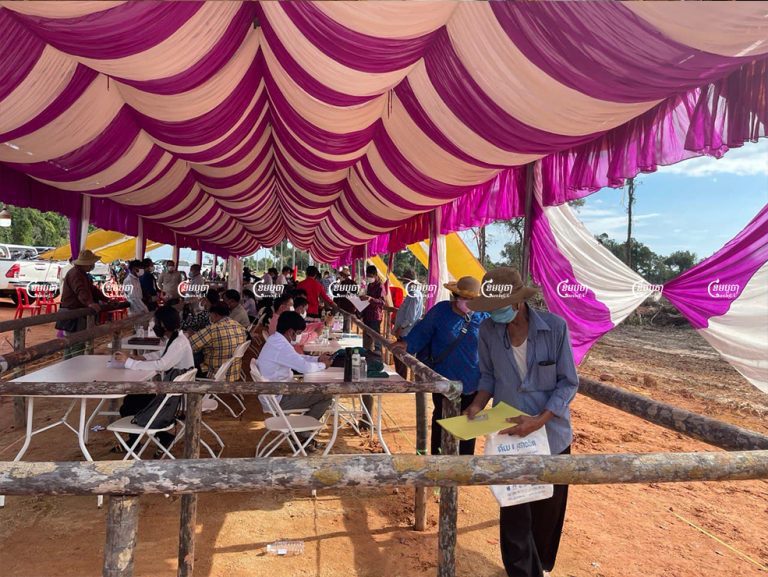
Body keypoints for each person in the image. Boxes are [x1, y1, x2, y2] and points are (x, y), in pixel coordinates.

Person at [464, 268, 578, 577]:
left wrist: (540, 420)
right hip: (510, 435)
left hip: (551, 434)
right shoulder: (488, 330)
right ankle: (520, 572)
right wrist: (477, 404)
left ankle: (539, 567)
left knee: (547, 509)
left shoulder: (555, 328)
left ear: (517, 302)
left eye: (497, 307)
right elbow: (488, 375)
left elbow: (568, 383)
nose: (493, 314)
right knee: (514, 508)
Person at [399, 276, 488, 456]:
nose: (468, 302)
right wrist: (406, 344)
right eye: (464, 298)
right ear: (455, 296)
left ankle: (464, 464)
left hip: (473, 382)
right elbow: (422, 332)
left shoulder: (484, 317)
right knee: (442, 419)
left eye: (472, 299)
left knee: (468, 424)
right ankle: (438, 462)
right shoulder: (440, 311)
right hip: (443, 379)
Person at [114, 306, 194, 451]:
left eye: (156, 322)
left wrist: (129, 362)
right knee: (131, 400)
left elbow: (162, 364)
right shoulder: (176, 339)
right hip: (175, 392)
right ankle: (160, 438)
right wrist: (138, 357)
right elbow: (162, 355)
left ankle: (136, 443)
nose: (154, 326)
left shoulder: (179, 343)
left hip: (175, 399)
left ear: (163, 324)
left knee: (129, 405)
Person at [257, 311, 333, 451]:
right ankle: (302, 435)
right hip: (279, 399)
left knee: (318, 392)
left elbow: (297, 358)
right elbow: (304, 368)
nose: (298, 336)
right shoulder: (281, 346)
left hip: (276, 394)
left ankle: (302, 434)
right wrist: (323, 365)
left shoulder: (276, 340)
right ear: (290, 331)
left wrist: (317, 359)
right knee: (326, 395)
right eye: (298, 333)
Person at [56, 249, 108, 356]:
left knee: (71, 345)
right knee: (76, 344)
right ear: (87, 264)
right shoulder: (76, 274)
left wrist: (106, 299)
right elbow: (81, 290)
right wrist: (90, 303)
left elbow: (92, 290)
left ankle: (70, 364)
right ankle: (75, 365)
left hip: (74, 312)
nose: (93, 265)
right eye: (92, 263)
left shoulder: (81, 273)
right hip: (73, 313)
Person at [189, 303, 248, 380]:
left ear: (215, 315)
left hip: (213, 373)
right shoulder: (239, 326)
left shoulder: (212, 329)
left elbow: (190, 345)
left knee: (192, 357)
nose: (210, 318)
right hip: (233, 371)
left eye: (210, 315)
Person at [392, 269, 424, 378]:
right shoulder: (413, 294)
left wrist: (400, 328)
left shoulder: (414, 295)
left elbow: (410, 317)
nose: (404, 284)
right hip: (406, 331)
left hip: (406, 332)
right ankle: (401, 379)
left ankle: (401, 380)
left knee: (401, 358)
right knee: (401, 358)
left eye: (405, 281)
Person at [360, 265, 385, 352]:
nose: (369, 278)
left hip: (375, 316)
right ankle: (366, 354)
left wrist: (370, 299)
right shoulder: (370, 285)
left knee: (376, 339)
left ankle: (378, 356)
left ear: (375, 275)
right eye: (368, 276)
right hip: (367, 315)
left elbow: (382, 302)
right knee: (366, 339)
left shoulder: (380, 286)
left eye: (370, 276)